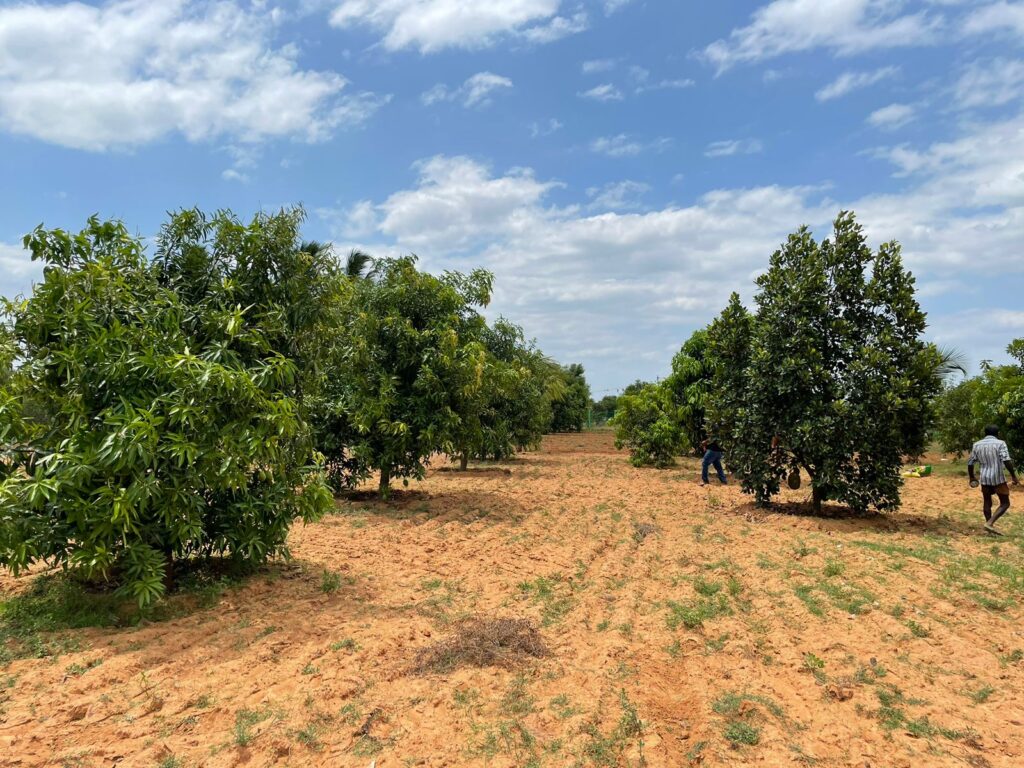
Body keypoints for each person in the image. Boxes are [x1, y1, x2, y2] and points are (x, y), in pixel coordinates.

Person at [967, 425, 1019, 535]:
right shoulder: (1000, 443)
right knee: (1005, 503)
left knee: (987, 501)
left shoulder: (977, 445)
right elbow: (1006, 460)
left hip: (984, 478)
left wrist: (971, 477)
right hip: (998, 477)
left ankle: (989, 529)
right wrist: (1013, 475)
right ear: (997, 433)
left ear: (985, 433)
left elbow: (970, 462)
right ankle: (990, 523)